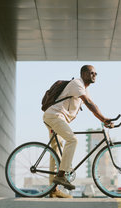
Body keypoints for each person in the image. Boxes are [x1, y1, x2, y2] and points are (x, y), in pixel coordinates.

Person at [43, 64, 114, 198]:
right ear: (83, 74)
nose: (94, 75)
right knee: (73, 139)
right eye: (91, 73)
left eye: (96, 74)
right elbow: (88, 103)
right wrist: (104, 119)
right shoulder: (77, 83)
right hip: (54, 116)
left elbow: (92, 104)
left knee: (56, 153)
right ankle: (61, 176)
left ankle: (53, 190)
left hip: (57, 118)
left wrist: (104, 120)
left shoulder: (84, 89)